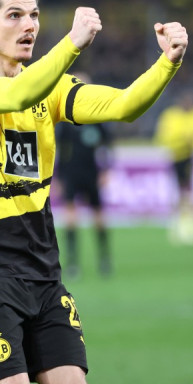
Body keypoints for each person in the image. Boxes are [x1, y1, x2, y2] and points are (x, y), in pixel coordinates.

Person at [0, 0, 187, 384]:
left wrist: (168, 62)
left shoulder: (50, 88)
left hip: (41, 263)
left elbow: (123, 106)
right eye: (15, 15)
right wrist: (72, 44)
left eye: (34, 15)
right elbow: (15, 96)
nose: (29, 25)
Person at [55, 72, 112, 279]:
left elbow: (108, 145)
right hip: (71, 173)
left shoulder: (97, 116)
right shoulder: (64, 118)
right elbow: (57, 149)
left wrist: (105, 170)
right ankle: (72, 263)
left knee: (98, 216)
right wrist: (58, 177)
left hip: (91, 173)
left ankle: (104, 260)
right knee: (71, 217)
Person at [154, 91, 193, 246]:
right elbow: (164, 136)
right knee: (176, 193)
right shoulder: (170, 115)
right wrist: (184, 139)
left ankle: (191, 226)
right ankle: (175, 225)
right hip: (175, 157)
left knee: (191, 193)